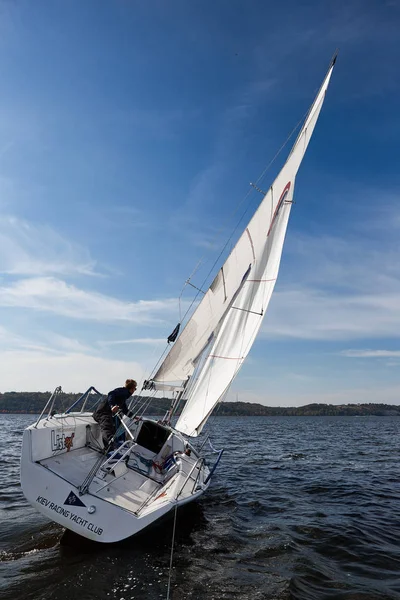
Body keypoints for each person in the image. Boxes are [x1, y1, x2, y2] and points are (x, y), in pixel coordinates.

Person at [93, 379, 137, 448]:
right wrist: (112, 406)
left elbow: (124, 409)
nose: (134, 390)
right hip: (102, 413)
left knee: (112, 429)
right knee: (107, 429)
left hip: (105, 413)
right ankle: (111, 449)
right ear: (132, 389)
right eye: (135, 389)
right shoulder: (123, 392)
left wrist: (134, 416)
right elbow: (111, 394)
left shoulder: (123, 396)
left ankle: (109, 449)